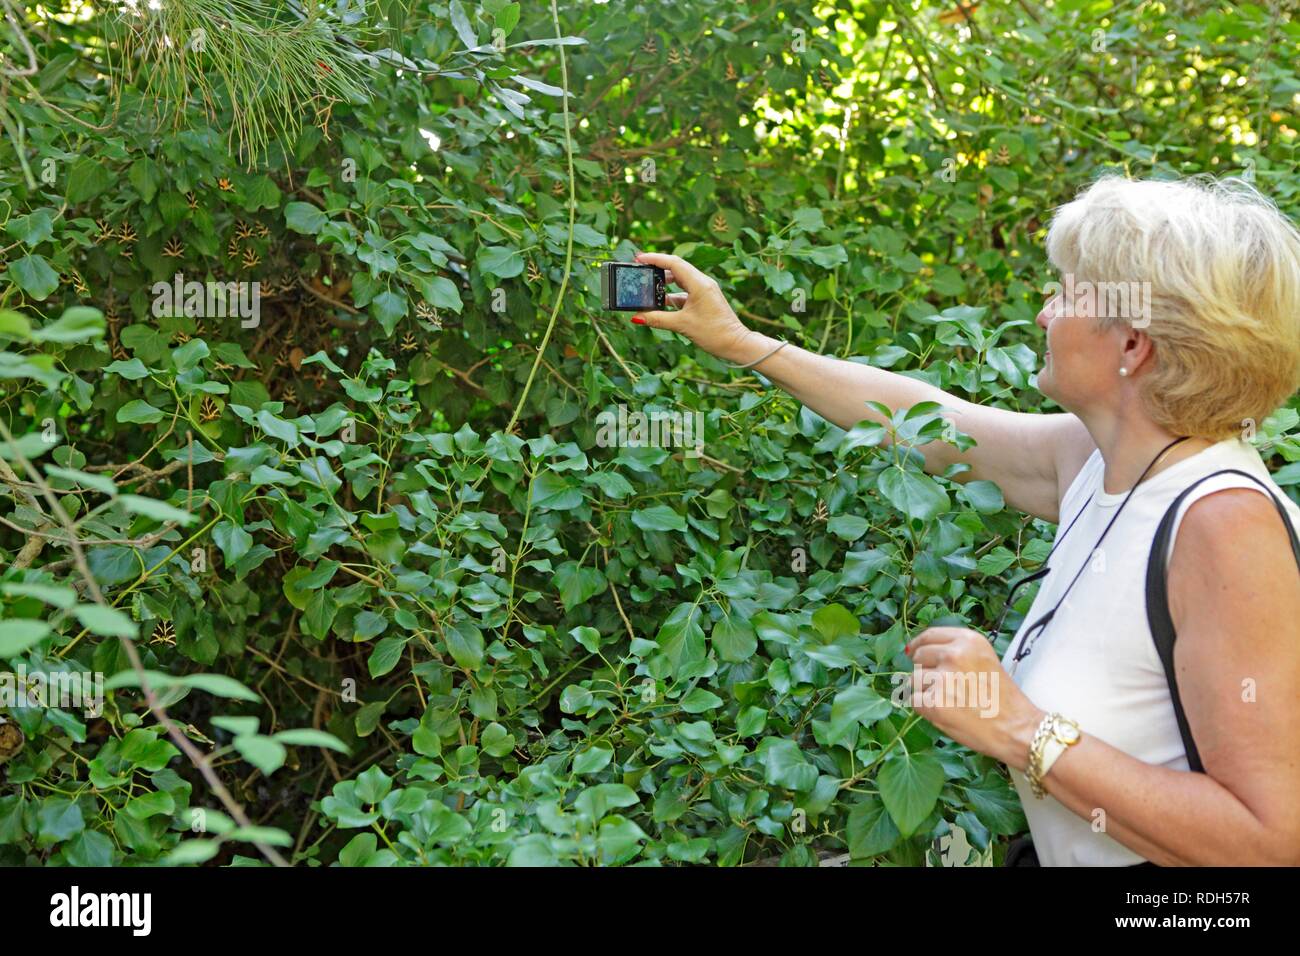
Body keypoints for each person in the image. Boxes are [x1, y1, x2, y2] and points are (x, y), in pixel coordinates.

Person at [629, 174, 1300, 866]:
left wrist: (1021, 729)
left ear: (1133, 346)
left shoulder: (1223, 526)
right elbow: (929, 423)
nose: (1043, 313)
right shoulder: (1106, 461)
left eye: (1066, 293)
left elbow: (1271, 842)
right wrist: (741, 342)